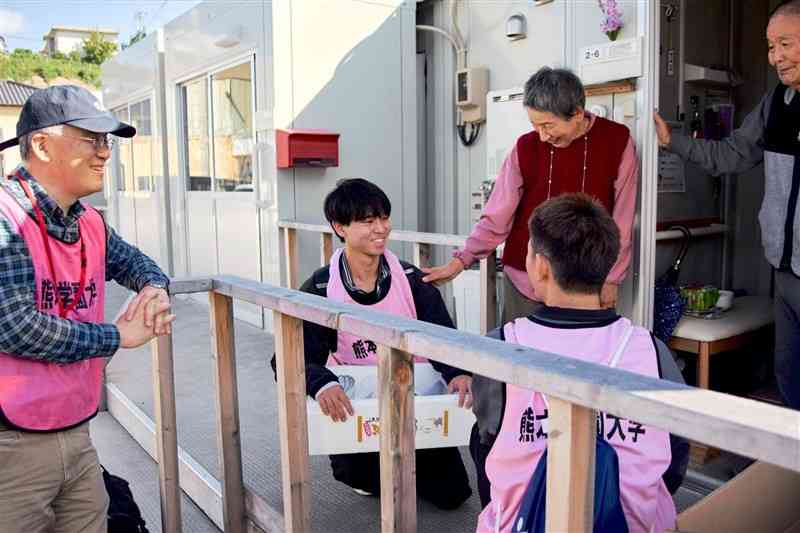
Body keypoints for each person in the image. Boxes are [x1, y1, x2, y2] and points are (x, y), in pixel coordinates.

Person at [0, 85, 174, 533]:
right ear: (41, 144)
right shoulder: (5, 217)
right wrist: (117, 336)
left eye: (106, 142)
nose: (104, 153)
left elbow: (136, 263)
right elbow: (15, 325)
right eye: (91, 139)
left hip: (77, 433)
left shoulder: (87, 219)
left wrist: (155, 289)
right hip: (11, 446)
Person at [475, 194, 677, 533]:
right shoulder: (651, 349)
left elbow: (485, 446)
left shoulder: (500, 347)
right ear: (607, 265)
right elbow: (675, 460)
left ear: (541, 266)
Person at [270, 178, 473, 509]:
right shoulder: (322, 288)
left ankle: (414, 457)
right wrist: (322, 384)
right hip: (360, 405)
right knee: (369, 481)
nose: (381, 228)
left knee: (452, 495)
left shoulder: (411, 280)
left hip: (414, 398)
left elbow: (443, 337)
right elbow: (287, 358)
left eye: (383, 218)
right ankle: (360, 465)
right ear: (340, 227)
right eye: (367, 221)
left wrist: (457, 372)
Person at [654, 0, 800, 410]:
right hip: (786, 270)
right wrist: (673, 142)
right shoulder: (775, 104)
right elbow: (732, 155)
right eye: (771, 47)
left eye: (785, 44)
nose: (775, 58)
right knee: (789, 375)